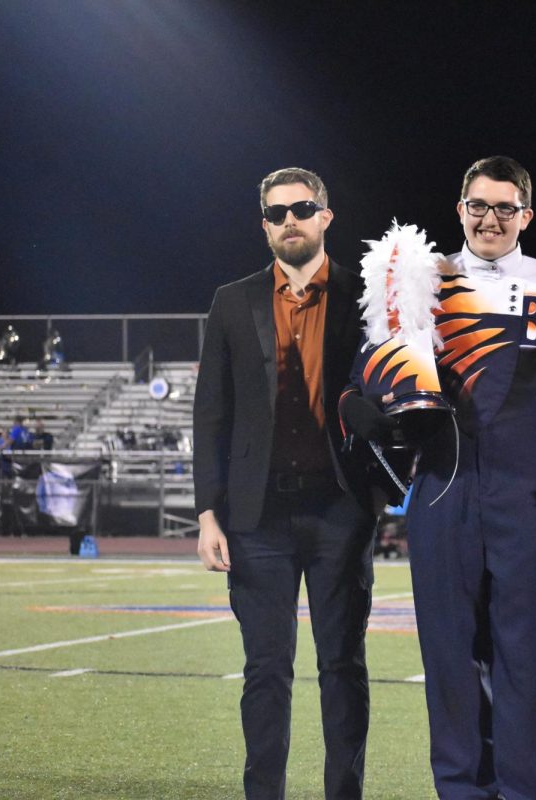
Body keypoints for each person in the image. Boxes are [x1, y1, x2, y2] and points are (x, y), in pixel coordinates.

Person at [356, 156, 536, 798]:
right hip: (443, 496)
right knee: (449, 663)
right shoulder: (416, 286)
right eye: (477, 206)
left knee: (533, 664)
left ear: (526, 214)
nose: (489, 218)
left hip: (530, 502)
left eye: (504, 207)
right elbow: (391, 402)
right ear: (459, 210)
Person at [193, 167, 391, 800]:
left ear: (326, 216)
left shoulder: (368, 294)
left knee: (342, 666)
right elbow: (211, 414)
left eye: (302, 209)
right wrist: (206, 514)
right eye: (277, 213)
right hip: (257, 518)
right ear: (264, 225)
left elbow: (396, 387)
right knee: (266, 671)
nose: (290, 221)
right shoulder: (232, 300)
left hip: (341, 509)